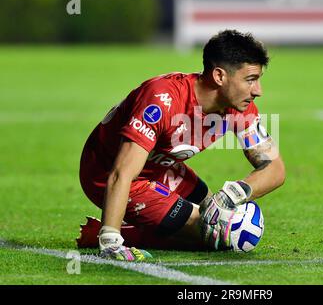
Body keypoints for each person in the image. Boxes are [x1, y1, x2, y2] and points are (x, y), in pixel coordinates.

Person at [77, 29, 285, 261]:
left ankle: (150, 221)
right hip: (106, 173)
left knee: (216, 210)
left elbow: (275, 168)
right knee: (220, 233)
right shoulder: (162, 99)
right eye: (251, 80)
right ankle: (115, 231)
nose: (258, 91)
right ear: (219, 76)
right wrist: (110, 240)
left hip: (160, 167)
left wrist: (231, 194)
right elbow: (121, 172)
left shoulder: (237, 108)